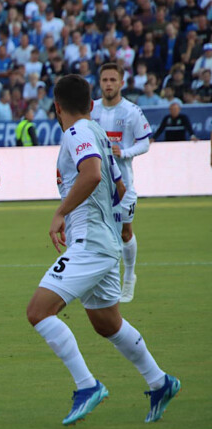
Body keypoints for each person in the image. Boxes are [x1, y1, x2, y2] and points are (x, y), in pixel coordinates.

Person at [26, 74, 180, 426]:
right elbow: (120, 186)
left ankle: (87, 386)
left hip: (91, 244)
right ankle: (160, 382)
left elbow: (92, 174)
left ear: (56, 105)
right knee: (106, 323)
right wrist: (111, 221)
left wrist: (62, 213)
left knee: (39, 311)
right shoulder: (97, 131)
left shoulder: (77, 132)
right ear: (92, 103)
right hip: (105, 241)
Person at [91, 63, 152, 303]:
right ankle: (106, 280)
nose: (108, 84)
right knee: (101, 233)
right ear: (100, 82)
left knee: (126, 232)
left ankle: (129, 277)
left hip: (123, 185)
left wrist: (124, 152)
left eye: (112, 80)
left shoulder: (132, 111)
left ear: (121, 83)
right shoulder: (91, 109)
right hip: (96, 185)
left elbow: (145, 143)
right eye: (105, 80)